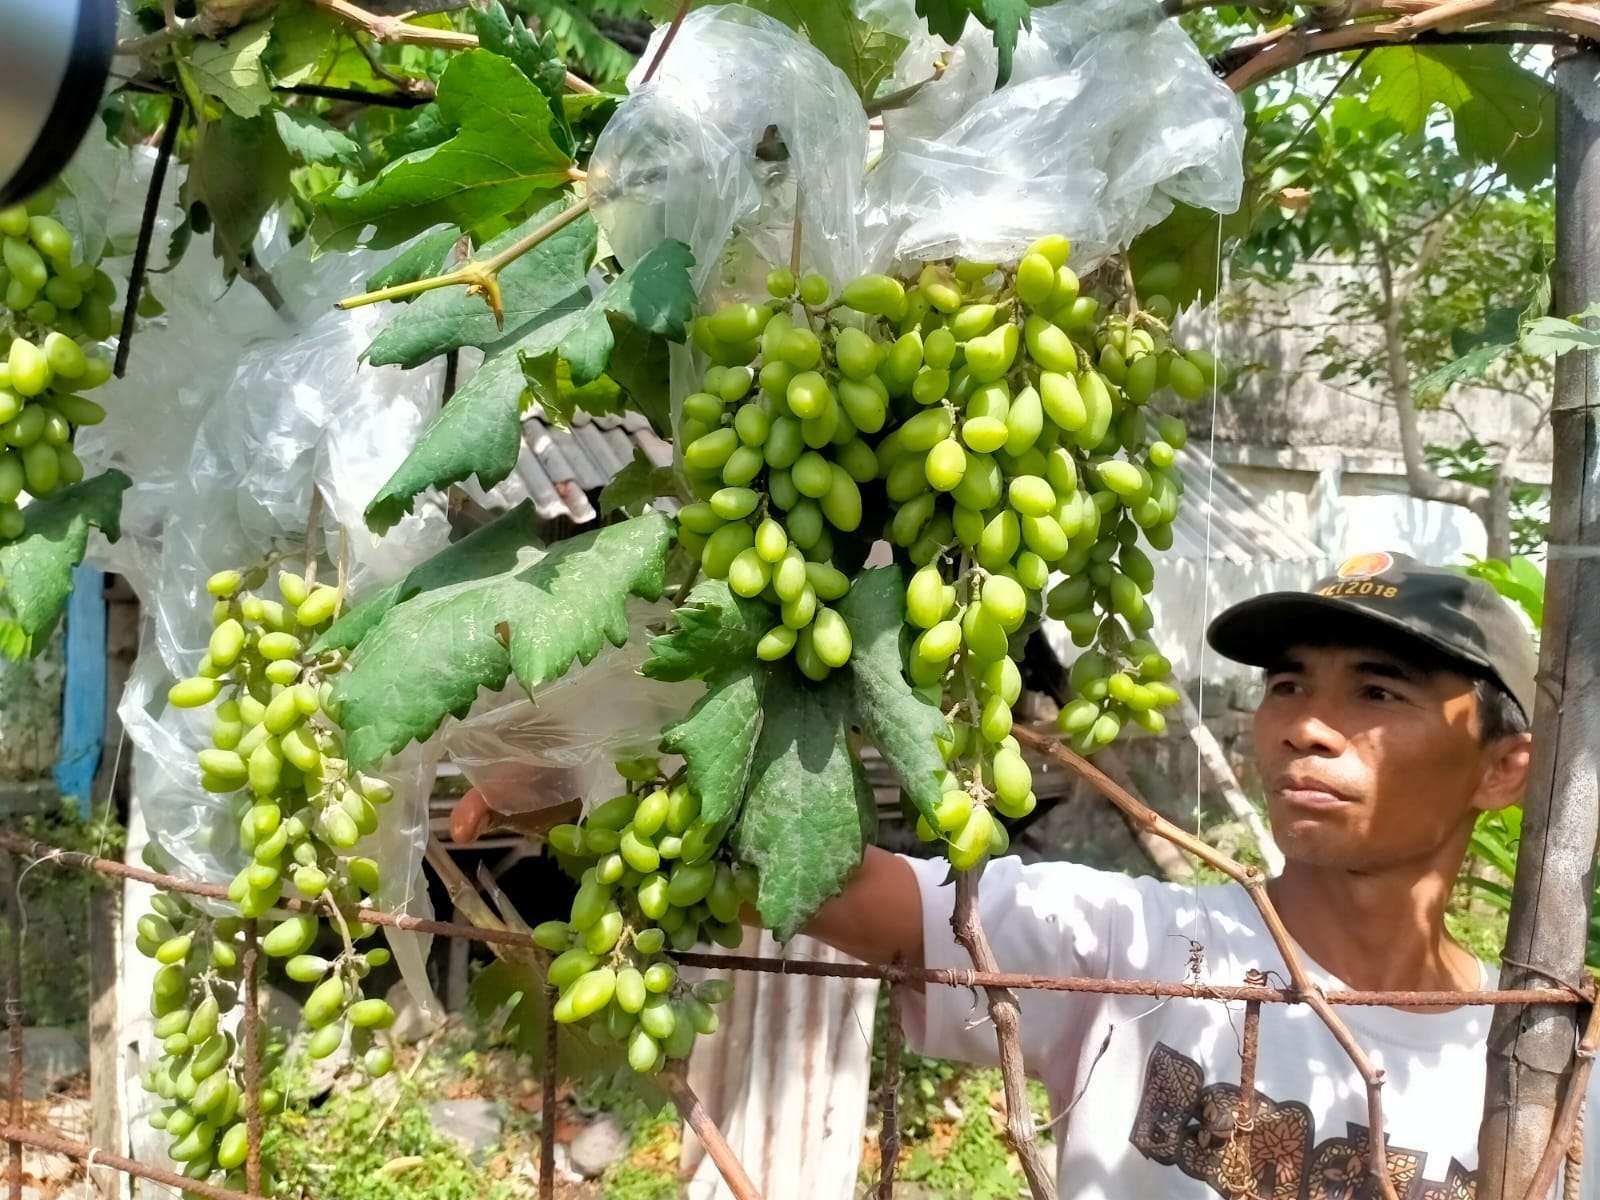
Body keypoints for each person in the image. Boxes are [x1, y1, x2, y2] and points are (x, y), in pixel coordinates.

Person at [453, 552, 1579, 1197]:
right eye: (1288, 686)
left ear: (1503, 768)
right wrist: (585, 768)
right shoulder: (1135, 949)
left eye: (1376, 694)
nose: (1302, 730)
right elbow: (847, 895)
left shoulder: (1558, 1080)